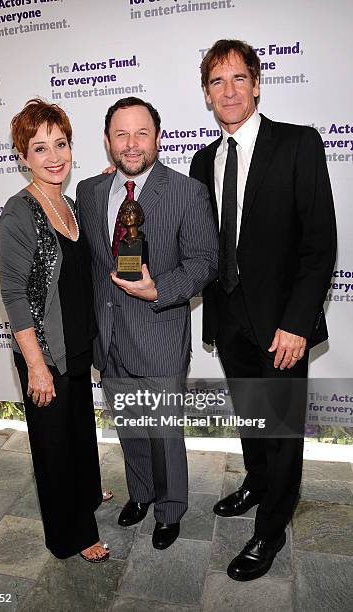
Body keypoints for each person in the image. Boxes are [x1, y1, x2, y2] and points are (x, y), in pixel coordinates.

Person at [190, 40, 336, 580]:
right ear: (206, 94)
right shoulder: (202, 160)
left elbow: (319, 246)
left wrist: (298, 323)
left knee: (280, 429)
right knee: (252, 418)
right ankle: (256, 482)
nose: (227, 91)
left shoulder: (298, 145)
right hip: (228, 321)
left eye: (237, 79)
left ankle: (270, 530)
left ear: (255, 83)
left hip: (281, 326)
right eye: (216, 82)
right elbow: (204, 246)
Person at [76, 97, 218, 550]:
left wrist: (161, 290)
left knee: (164, 432)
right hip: (109, 333)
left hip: (159, 331)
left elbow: (204, 262)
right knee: (129, 424)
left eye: (141, 133)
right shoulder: (89, 192)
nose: (131, 144)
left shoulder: (185, 191)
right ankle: (141, 494)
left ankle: (170, 509)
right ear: (107, 141)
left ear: (158, 137)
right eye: (121, 134)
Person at [0, 99, 109, 563]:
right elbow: (15, 297)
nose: (53, 156)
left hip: (77, 348)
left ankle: (84, 493)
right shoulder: (20, 211)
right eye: (39, 148)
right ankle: (73, 534)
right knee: (54, 450)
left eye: (59, 144)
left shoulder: (70, 203)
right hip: (45, 354)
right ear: (24, 156)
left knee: (79, 432)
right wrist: (37, 367)